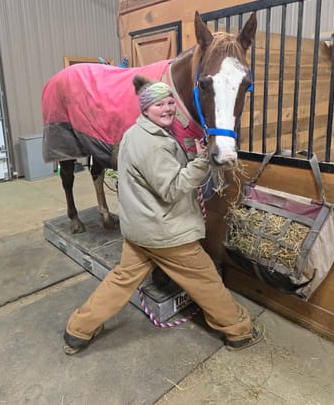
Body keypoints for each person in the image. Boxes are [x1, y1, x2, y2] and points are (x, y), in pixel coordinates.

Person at [63, 75, 263, 355]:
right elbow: (172, 188)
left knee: (121, 280)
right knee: (206, 281)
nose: (168, 108)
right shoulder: (154, 144)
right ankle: (238, 331)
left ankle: (78, 330)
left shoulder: (136, 134)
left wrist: (192, 156)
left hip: (140, 231)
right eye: (160, 104)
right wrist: (204, 161)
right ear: (145, 109)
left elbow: (156, 175)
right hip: (167, 234)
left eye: (170, 102)